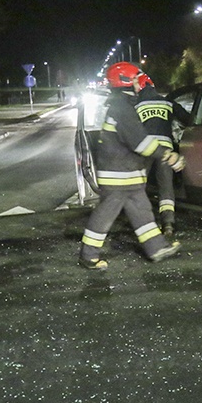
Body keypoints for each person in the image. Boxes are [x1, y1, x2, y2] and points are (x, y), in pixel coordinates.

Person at [79, 62, 185, 271]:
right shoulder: (122, 109)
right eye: (136, 79)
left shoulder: (123, 106)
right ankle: (88, 255)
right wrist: (167, 155)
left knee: (142, 211)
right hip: (117, 175)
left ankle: (156, 248)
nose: (139, 83)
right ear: (126, 81)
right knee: (105, 214)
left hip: (128, 174)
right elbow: (141, 143)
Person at [134, 72, 189, 238]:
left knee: (138, 187)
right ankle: (168, 223)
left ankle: (146, 223)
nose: (134, 88)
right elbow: (188, 118)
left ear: (142, 86)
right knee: (166, 187)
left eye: (136, 85)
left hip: (145, 150)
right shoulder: (167, 102)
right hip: (165, 151)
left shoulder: (136, 105)